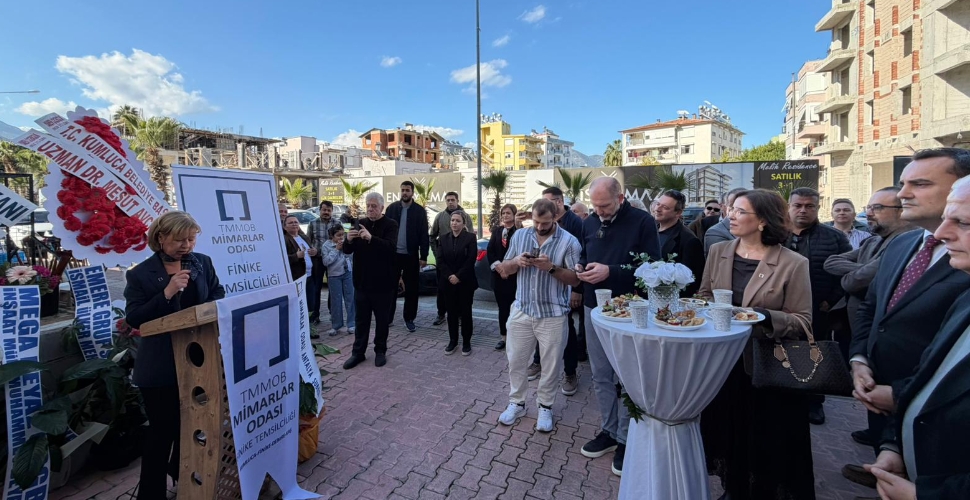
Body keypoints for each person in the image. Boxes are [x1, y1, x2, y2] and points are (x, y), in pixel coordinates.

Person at [843, 148, 970, 489]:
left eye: (921, 183)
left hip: (942, 425)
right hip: (874, 391)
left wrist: (901, 394)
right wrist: (859, 361)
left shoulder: (964, 260)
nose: (902, 195)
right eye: (903, 184)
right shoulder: (902, 244)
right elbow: (872, 309)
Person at [698, 189, 814, 500]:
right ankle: (732, 489)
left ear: (762, 221)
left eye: (739, 211)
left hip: (767, 367)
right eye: (731, 210)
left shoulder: (793, 263)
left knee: (763, 439)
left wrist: (763, 315)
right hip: (723, 362)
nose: (730, 216)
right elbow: (705, 296)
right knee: (728, 432)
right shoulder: (718, 251)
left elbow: (803, 320)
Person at [124, 211, 225, 500]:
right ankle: (151, 494)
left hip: (197, 360)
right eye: (180, 240)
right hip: (160, 366)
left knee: (191, 426)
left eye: (191, 239)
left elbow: (217, 291)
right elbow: (134, 318)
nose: (187, 246)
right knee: (161, 431)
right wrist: (167, 293)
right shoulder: (140, 274)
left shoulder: (201, 263)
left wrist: (205, 311)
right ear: (160, 237)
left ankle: (184, 480)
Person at [577, 176, 661, 477]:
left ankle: (627, 438)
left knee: (627, 376)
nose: (599, 212)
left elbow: (654, 266)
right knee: (600, 374)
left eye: (605, 205)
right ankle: (610, 431)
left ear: (621, 197)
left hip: (628, 309)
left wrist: (609, 271)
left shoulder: (642, 222)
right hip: (592, 305)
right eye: (595, 206)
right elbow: (586, 256)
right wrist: (581, 268)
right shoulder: (589, 222)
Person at [494, 198, 581, 433]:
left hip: (553, 313)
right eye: (536, 221)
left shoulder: (569, 242)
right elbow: (504, 267)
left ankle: (545, 406)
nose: (540, 227)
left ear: (556, 217)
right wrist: (517, 262)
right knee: (515, 360)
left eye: (545, 222)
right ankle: (517, 402)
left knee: (551, 366)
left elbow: (575, 279)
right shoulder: (520, 236)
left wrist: (551, 268)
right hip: (522, 309)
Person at [824, 187, 914, 386]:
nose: (870, 213)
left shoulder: (910, 243)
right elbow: (830, 262)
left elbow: (851, 282)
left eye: (877, 208)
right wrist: (869, 268)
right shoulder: (871, 242)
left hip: (883, 334)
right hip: (854, 326)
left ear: (902, 210)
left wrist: (862, 272)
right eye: (869, 207)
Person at [785, 187, 851, 425]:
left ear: (817, 207)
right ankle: (783, 396)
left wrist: (830, 300)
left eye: (809, 206)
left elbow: (847, 272)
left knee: (815, 355)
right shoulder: (773, 233)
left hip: (817, 308)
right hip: (779, 307)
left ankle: (814, 403)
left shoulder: (834, 237)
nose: (803, 210)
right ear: (789, 207)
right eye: (797, 205)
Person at [525, 187, 586, 395]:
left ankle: (570, 372)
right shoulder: (537, 226)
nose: (545, 206)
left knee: (566, 333)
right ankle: (537, 361)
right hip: (538, 295)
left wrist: (577, 290)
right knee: (536, 330)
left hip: (563, 293)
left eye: (549, 202)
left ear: (559, 202)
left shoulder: (574, 224)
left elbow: (580, 261)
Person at [342, 192, 399, 369]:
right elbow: (347, 251)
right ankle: (358, 353)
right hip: (362, 283)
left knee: (382, 321)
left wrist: (371, 238)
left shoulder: (390, 224)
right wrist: (348, 240)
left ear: (382, 207)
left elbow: (390, 248)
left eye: (374, 206)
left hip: (383, 284)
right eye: (368, 205)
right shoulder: (359, 223)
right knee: (361, 321)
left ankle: (380, 351)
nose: (370, 209)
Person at [385, 181, 430, 332]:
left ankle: (409, 318)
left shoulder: (419, 211)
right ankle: (388, 317)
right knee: (390, 287)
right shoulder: (392, 209)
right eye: (403, 190)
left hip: (411, 255)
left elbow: (424, 234)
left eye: (407, 190)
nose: (405, 193)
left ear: (412, 192)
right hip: (393, 255)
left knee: (412, 289)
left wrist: (423, 255)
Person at [437, 211, 479, 355]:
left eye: (458, 221)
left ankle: (466, 342)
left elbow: (471, 260)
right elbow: (440, 260)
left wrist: (458, 276)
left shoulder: (470, 238)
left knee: (466, 313)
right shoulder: (443, 238)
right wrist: (450, 276)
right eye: (452, 220)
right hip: (448, 283)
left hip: (465, 282)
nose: (454, 223)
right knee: (451, 313)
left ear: (463, 223)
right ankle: (452, 340)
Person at [430, 191, 473, 326]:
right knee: (442, 289)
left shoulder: (466, 217)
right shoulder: (440, 217)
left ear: (457, 200)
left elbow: (471, 237)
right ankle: (441, 313)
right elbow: (432, 236)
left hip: (460, 263)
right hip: (444, 262)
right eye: (448, 200)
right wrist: (438, 255)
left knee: (461, 291)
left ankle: (460, 315)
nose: (450, 202)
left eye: (452, 200)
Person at [653, 189, 705, 297]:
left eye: (665, 207)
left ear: (678, 212)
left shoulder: (689, 240)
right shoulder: (650, 231)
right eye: (658, 204)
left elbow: (692, 280)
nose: (658, 209)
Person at [487, 204, 520, 351]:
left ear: (514, 214)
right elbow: (491, 250)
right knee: (503, 309)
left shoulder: (520, 231)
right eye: (503, 213)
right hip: (499, 277)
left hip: (514, 278)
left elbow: (520, 252)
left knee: (516, 309)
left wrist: (509, 269)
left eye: (508, 213)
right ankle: (503, 337)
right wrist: (499, 268)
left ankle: (516, 338)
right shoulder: (497, 231)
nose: (505, 215)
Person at [307, 200, 342, 324]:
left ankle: (333, 314)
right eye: (324, 210)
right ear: (319, 210)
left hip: (333, 260)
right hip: (317, 260)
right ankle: (315, 315)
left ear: (332, 211)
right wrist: (313, 251)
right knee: (316, 288)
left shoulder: (338, 223)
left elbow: (341, 240)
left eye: (329, 210)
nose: (326, 212)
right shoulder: (312, 223)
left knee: (333, 288)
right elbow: (309, 242)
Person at [320, 225, 355, 336]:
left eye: (342, 234)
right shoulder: (326, 245)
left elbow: (351, 256)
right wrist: (336, 250)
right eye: (338, 235)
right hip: (334, 275)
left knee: (350, 298)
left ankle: (352, 324)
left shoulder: (347, 242)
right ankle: (336, 325)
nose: (341, 237)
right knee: (336, 300)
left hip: (347, 273)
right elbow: (326, 262)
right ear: (331, 236)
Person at [704, 187, 747, 256]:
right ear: (725, 206)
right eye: (732, 207)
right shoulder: (715, 232)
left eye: (741, 208)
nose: (734, 213)